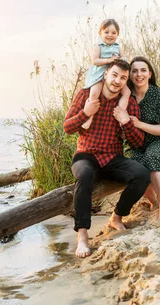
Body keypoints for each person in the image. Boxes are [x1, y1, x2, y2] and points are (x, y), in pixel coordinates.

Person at [64, 59, 151, 258]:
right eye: (114, 75)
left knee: (141, 175)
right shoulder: (86, 95)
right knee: (84, 176)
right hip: (85, 155)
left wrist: (126, 121)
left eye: (123, 78)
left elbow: (138, 142)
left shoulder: (127, 103)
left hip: (112, 157)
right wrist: (85, 113)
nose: (117, 81)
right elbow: (67, 127)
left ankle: (117, 216)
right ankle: (83, 237)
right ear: (105, 74)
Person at [125, 56, 160, 221]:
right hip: (138, 144)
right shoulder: (126, 98)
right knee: (136, 168)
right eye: (135, 71)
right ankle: (153, 201)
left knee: (152, 159)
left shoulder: (159, 95)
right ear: (130, 75)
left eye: (143, 70)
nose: (139, 74)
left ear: (150, 73)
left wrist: (139, 124)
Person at [81, 19, 130, 129]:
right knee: (94, 93)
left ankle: (120, 114)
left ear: (117, 34)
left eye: (114, 33)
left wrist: (123, 60)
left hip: (114, 75)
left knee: (127, 92)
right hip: (99, 74)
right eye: (106, 32)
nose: (110, 35)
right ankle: (90, 117)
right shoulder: (99, 46)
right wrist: (108, 60)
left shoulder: (117, 46)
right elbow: (95, 61)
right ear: (100, 33)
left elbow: (123, 58)